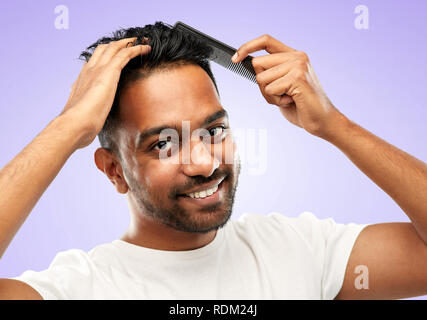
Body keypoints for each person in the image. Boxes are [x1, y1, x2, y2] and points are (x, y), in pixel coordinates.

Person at [0, 21, 426, 300]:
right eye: (164, 144)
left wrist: (334, 125)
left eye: (214, 131)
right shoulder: (78, 289)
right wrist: (68, 127)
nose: (204, 162)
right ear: (115, 171)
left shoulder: (299, 250)